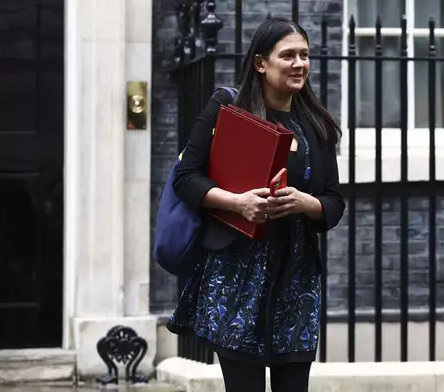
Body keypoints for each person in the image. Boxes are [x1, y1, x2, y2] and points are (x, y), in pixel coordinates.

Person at [166, 17, 345, 392]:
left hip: (296, 282)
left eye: (305, 55)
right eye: (289, 55)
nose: (300, 64)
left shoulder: (317, 125)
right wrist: (237, 203)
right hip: (237, 276)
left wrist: (304, 202)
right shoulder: (228, 108)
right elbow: (186, 179)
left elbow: (334, 202)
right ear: (261, 63)